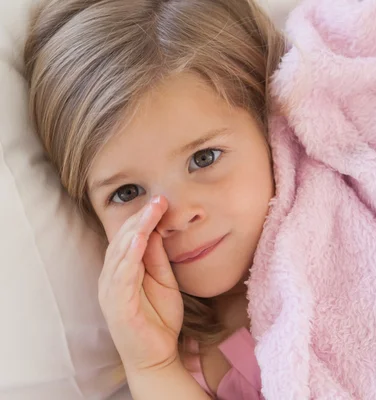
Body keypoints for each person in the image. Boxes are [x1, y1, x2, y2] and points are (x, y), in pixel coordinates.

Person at [24, 1, 286, 399]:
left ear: (267, 123)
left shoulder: (346, 220)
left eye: (204, 158)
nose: (177, 216)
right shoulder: (181, 366)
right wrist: (152, 366)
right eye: (126, 193)